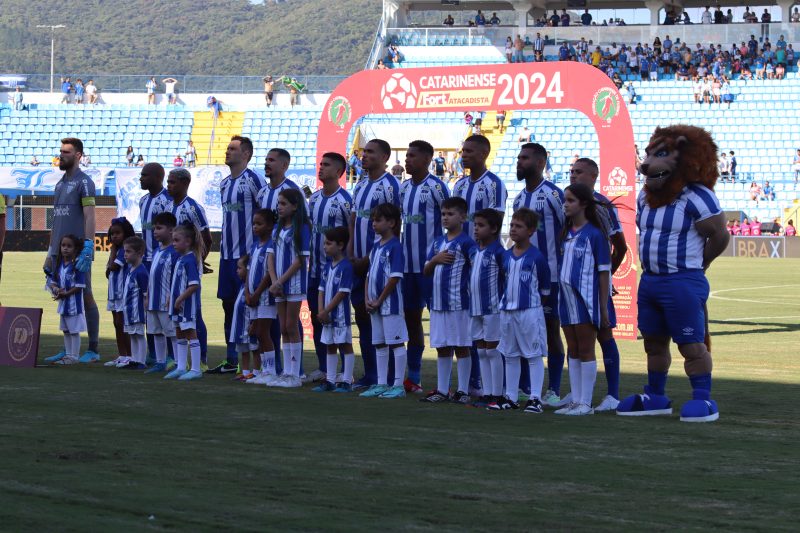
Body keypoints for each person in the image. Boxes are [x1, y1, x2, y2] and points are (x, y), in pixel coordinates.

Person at [618, 127, 729, 422]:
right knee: (653, 343)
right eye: (649, 154)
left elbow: (719, 235)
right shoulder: (645, 196)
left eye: (661, 155)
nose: (647, 163)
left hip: (681, 280)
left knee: (691, 344)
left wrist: (701, 264)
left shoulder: (698, 196)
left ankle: (703, 398)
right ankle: (656, 396)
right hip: (650, 280)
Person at [570, 159, 628, 412]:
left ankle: (612, 394)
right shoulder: (568, 204)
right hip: (572, 284)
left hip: (594, 284)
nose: (573, 175)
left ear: (594, 176)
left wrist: (606, 275)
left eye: (579, 172)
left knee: (604, 334)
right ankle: (578, 395)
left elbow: (621, 246)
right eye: (571, 171)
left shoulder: (603, 206)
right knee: (574, 337)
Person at [452, 134, 507, 396]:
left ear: (484, 154)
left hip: (485, 263)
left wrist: (482, 254)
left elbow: (495, 223)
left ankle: (497, 387)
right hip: (460, 263)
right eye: (463, 151)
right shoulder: (459, 185)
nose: (464, 155)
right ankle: (474, 383)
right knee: (468, 327)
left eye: (469, 151)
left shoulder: (494, 184)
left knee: (490, 330)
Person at [512, 142, 566, 406]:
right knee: (522, 330)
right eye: (518, 157)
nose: (519, 162)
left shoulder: (554, 194)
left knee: (551, 330)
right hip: (524, 279)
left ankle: (553, 389)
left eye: (525, 158)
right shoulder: (518, 199)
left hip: (551, 276)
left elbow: (568, 229)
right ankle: (524, 387)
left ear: (540, 163)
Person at [554, 183, 611, 416]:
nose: (565, 205)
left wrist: (603, 307)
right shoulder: (565, 233)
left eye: (570, 201)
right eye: (564, 200)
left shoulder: (595, 235)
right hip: (566, 299)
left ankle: (586, 403)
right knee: (573, 349)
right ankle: (576, 400)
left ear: (584, 204)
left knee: (586, 348)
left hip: (585, 299)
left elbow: (604, 272)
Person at [348, 139, 400, 389]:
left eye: (370, 152)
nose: (364, 155)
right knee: (361, 317)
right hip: (356, 262)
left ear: (384, 157)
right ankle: (370, 374)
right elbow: (353, 220)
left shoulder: (391, 186)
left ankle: (388, 377)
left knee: (382, 320)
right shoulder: (360, 185)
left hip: (378, 264)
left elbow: (395, 227)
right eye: (363, 151)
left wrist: (368, 259)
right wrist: (351, 253)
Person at [42, 138, 100, 364]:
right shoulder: (59, 184)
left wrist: (88, 246)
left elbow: (90, 215)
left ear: (78, 155)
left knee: (85, 294)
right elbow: (56, 222)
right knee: (61, 294)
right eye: (60, 151)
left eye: (66, 152)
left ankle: (93, 348)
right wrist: (50, 251)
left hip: (77, 251)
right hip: (59, 252)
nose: (61, 155)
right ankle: (67, 349)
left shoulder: (84, 182)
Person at [487, 207, 550, 413]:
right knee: (510, 354)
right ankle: (511, 397)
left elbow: (545, 288)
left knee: (533, 355)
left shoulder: (537, 257)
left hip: (529, 312)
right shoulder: (505, 256)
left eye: (519, 226)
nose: (513, 229)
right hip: (507, 312)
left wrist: (534, 304)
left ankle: (535, 398)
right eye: (512, 225)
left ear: (531, 231)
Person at [400, 140, 450, 393]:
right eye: (407, 155)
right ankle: (414, 377)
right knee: (412, 321)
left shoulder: (437, 187)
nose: (407, 160)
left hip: (432, 267)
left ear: (427, 160)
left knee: (440, 322)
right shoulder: (404, 188)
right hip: (407, 268)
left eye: (412, 156)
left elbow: (451, 221)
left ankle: (449, 382)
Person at [214, 136, 267, 374]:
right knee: (228, 306)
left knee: (249, 307)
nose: (228, 151)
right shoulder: (224, 183)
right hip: (226, 256)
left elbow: (266, 214)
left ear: (246, 154)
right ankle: (232, 359)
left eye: (233, 149)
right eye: (227, 148)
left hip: (247, 257)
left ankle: (256, 363)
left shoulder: (254, 180)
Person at [421, 197, 475, 404]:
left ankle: (463, 390)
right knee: (442, 347)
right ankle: (442, 390)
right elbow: (426, 270)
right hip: (438, 303)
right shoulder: (437, 242)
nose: (445, 217)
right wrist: (435, 260)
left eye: (450, 214)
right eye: (443, 214)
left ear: (463, 217)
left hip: (458, 303)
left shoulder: (467, 243)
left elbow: (475, 268)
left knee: (461, 346)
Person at [307, 153, 353, 384]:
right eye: (320, 164)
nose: (321, 168)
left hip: (336, 273)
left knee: (338, 320)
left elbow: (351, 233)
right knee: (318, 318)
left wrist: (347, 261)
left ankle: (345, 371)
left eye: (326, 165)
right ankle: (324, 367)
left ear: (338, 171)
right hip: (315, 271)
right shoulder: (314, 199)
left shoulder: (345, 201)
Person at [360, 203, 408, 399]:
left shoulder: (395, 246)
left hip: (390, 305)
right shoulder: (375, 247)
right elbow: (368, 276)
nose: (374, 223)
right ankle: (381, 383)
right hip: (375, 305)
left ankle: (398, 385)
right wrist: (367, 299)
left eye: (378, 220)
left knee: (396, 343)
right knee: (379, 344)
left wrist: (380, 300)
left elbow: (394, 277)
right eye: (373, 220)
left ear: (391, 223)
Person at [167, 168, 213, 366]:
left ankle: (201, 359)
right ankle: (179, 360)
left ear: (185, 183)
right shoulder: (169, 206)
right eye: (168, 182)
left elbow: (207, 238)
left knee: (194, 313)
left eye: (172, 182)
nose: (169, 186)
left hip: (189, 268)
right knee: (176, 314)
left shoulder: (193, 208)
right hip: (174, 266)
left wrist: (196, 262)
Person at [267, 188, 311, 388]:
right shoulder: (277, 229)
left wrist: (280, 281)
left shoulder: (301, 228)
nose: (279, 207)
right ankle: (286, 371)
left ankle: (295, 373)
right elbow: (270, 256)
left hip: (293, 284)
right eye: (278, 203)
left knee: (291, 326)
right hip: (278, 285)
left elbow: (300, 260)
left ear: (295, 206)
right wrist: (274, 281)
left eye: (284, 203)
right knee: (283, 327)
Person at [468, 209, 506, 407]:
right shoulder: (474, 251)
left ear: (494, 229)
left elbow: (506, 278)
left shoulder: (499, 252)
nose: (476, 229)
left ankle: (497, 394)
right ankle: (486, 392)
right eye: (475, 225)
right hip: (475, 308)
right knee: (481, 352)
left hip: (493, 309)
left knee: (492, 351)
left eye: (481, 225)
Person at [311, 227, 356, 393]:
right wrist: (321, 310)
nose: (325, 247)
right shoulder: (327, 267)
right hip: (327, 316)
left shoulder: (346, 267)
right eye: (324, 243)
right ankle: (330, 380)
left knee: (345, 345)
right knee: (330, 345)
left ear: (341, 245)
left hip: (340, 316)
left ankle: (347, 381)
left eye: (329, 243)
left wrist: (326, 311)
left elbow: (342, 293)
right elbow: (321, 290)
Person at [164, 223, 204, 381]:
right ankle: (181, 367)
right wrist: (170, 297)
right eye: (173, 240)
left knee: (190, 334)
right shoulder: (181, 259)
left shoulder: (190, 260)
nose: (173, 243)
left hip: (186, 306)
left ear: (187, 241)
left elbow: (194, 285)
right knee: (179, 333)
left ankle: (196, 369)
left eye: (176, 240)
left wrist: (180, 299)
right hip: (177, 305)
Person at [244, 208, 278, 384]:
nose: (255, 227)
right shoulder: (254, 246)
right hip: (254, 297)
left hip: (265, 297)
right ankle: (265, 370)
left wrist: (257, 293)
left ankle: (270, 370)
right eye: (254, 224)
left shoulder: (271, 246)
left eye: (259, 224)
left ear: (270, 226)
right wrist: (247, 292)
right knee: (257, 333)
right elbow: (249, 272)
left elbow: (268, 275)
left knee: (263, 332)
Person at [144, 212, 179, 374]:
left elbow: (176, 278)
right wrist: (147, 295)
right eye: (154, 228)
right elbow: (152, 276)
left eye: (159, 228)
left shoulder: (174, 252)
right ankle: (160, 362)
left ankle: (178, 362)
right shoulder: (157, 251)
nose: (155, 231)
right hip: (153, 301)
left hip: (166, 301)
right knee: (156, 332)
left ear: (171, 230)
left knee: (172, 333)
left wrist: (173, 296)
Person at [47, 235, 86, 365]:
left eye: (69, 246)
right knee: (66, 330)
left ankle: (74, 356)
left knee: (74, 331)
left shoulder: (77, 266)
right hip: (63, 305)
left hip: (74, 305)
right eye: (63, 245)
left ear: (75, 249)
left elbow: (79, 286)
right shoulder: (59, 265)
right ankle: (68, 355)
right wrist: (56, 289)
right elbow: (53, 282)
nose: (65, 248)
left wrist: (66, 293)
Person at [104, 217, 135, 368]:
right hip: (113, 293)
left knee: (122, 323)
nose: (114, 236)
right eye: (112, 234)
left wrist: (112, 250)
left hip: (123, 293)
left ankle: (129, 355)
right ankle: (122, 355)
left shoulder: (123, 250)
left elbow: (113, 267)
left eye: (117, 233)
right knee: (116, 324)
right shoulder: (117, 251)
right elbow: (107, 272)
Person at [229, 256, 259, 381]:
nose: (237, 270)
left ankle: (256, 372)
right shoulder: (242, 286)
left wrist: (254, 323)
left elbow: (255, 307)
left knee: (255, 349)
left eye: (239, 268)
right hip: (240, 326)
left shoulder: (253, 287)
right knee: (243, 350)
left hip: (249, 325)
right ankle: (245, 372)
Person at [121, 237, 149, 369]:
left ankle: (141, 361)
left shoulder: (141, 272)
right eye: (124, 251)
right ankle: (134, 359)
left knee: (139, 335)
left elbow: (146, 293)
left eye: (128, 251)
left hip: (137, 311)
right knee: (132, 335)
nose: (125, 254)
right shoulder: (129, 270)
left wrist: (145, 307)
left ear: (139, 253)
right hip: (129, 310)